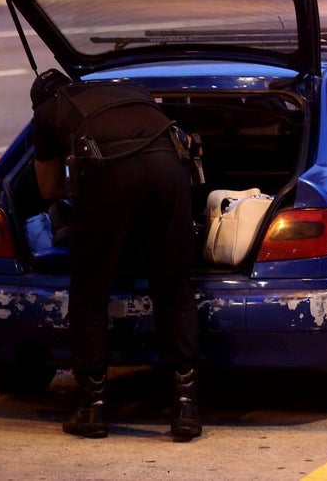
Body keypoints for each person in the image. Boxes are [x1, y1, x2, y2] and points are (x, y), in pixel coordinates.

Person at [28, 69, 202, 442]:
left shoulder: (48, 112)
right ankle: (186, 407)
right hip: (169, 165)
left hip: (110, 169)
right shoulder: (129, 90)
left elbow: (49, 188)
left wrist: (88, 200)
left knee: (90, 292)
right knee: (174, 286)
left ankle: (92, 409)